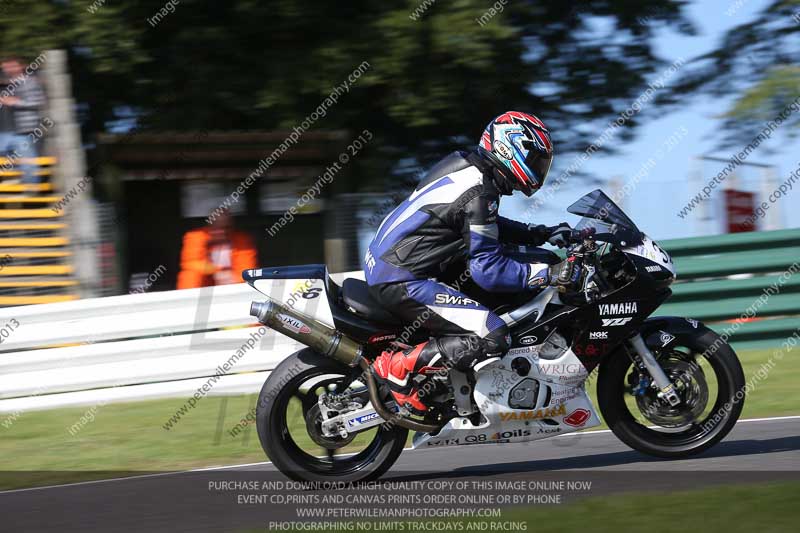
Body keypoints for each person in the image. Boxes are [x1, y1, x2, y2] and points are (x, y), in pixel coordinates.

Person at [366, 111, 583, 414]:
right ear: (511, 150)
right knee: (493, 334)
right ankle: (397, 366)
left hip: (399, 265)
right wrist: (550, 274)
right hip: (404, 279)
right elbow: (489, 272)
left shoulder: (468, 167)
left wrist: (539, 234)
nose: (539, 169)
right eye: (535, 159)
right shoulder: (479, 191)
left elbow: (481, 224)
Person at [176, 209, 257, 289]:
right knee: (190, 275)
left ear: (232, 227)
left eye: (225, 227)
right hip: (206, 285)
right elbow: (190, 263)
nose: (220, 231)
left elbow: (247, 267)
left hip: (233, 283)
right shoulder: (195, 237)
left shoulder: (242, 241)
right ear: (209, 225)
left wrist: (233, 278)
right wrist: (217, 271)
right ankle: (188, 300)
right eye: (216, 227)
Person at [0, 55, 45, 183]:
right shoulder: (6, 83)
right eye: (5, 65)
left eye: (11, 64)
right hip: (6, 131)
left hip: (24, 130)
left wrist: (15, 102)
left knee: (27, 160)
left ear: (20, 66)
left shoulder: (30, 81)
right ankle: (13, 182)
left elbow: (38, 102)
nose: (8, 68)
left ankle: (31, 188)